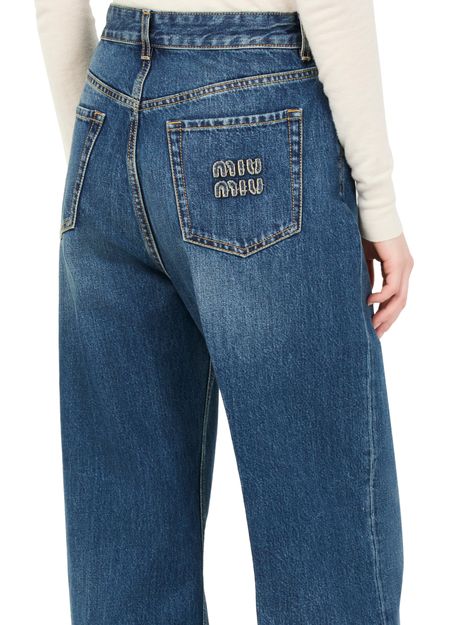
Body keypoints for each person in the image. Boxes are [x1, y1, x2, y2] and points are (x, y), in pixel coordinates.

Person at [34, 1, 414, 624]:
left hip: (106, 102)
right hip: (252, 100)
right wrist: (379, 203)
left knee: (127, 530)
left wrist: (97, 151)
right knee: (323, 521)